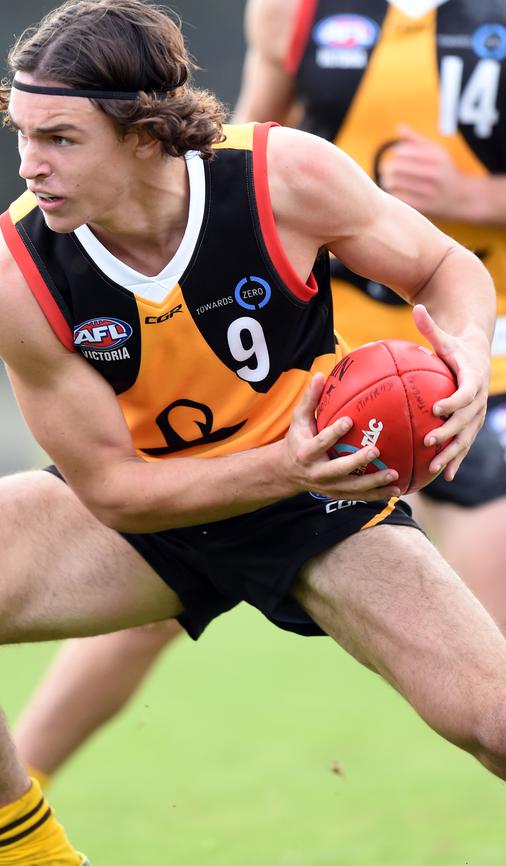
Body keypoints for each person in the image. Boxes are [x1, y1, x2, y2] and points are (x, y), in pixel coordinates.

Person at [0, 1, 503, 865]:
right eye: (22, 133)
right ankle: (23, 857)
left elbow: (443, 267)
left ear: (144, 133)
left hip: (324, 503)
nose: (29, 165)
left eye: (60, 138)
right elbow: (116, 491)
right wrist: (285, 463)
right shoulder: (12, 273)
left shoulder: (283, 176)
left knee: (494, 725)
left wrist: (462, 349)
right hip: (155, 512)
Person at [233, 0, 506, 626]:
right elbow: (239, 165)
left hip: (478, 353)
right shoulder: (287, 10)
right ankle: (33, 732)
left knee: (492, 629)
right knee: (168, 580)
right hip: (323, 359)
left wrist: (470, 194)